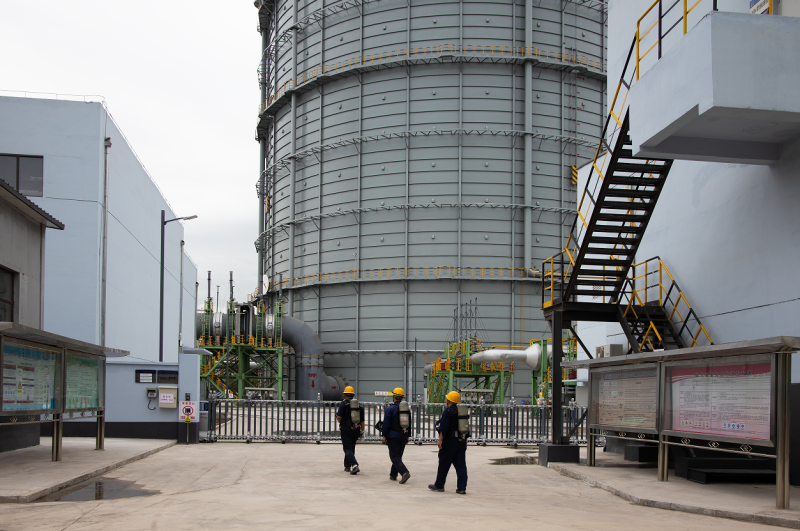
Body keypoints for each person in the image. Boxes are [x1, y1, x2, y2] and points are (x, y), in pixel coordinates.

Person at [428, 391, 468, 494]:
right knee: (461, 466)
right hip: (461, 442)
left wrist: (440, 440)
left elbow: (443, 427)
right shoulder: (461, 412)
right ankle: (462, 488)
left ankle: (439, 485)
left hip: (450, 442)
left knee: (444, 463)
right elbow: (466, 427)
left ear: (449, 401)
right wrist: (465, 440)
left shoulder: (448, 411)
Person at [382, 387, 411, 484]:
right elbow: (409, 424)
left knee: (394, 456)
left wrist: (384, 435)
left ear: (393, 397)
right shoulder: (406, 410)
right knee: (398, 456)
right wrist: (407, 436)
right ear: (402, 397)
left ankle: (404, 472)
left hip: (393, 436)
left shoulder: (390, 409)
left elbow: (386, 424)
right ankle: (393, 474)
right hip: (403, 436)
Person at [336, 386, 364, 475]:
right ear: (353, 395)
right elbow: (362, 421)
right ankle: (347, 466)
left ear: (345, 395)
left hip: (346, 429)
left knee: (347, 448)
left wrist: (340, 421)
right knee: (351, 447)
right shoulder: (359, 405)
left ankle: (354, 465)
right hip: (356, 429)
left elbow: (339, 417)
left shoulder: (343, 404)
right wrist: (362, 431)